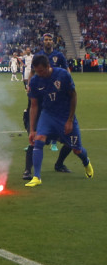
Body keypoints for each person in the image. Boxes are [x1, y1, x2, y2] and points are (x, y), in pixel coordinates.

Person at [24, 55, 93, 187]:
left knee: (77, 150)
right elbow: (34, 105)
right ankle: (36, 177)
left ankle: (86, 162)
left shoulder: (62, 75)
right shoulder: (35, 81)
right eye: (36, 71)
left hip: (65, 115)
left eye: (41, 71)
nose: (39, 74)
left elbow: (73, 96)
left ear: (48, 66)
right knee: (38, 140)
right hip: (47, 115)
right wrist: (32, 130)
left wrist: (70, 120)